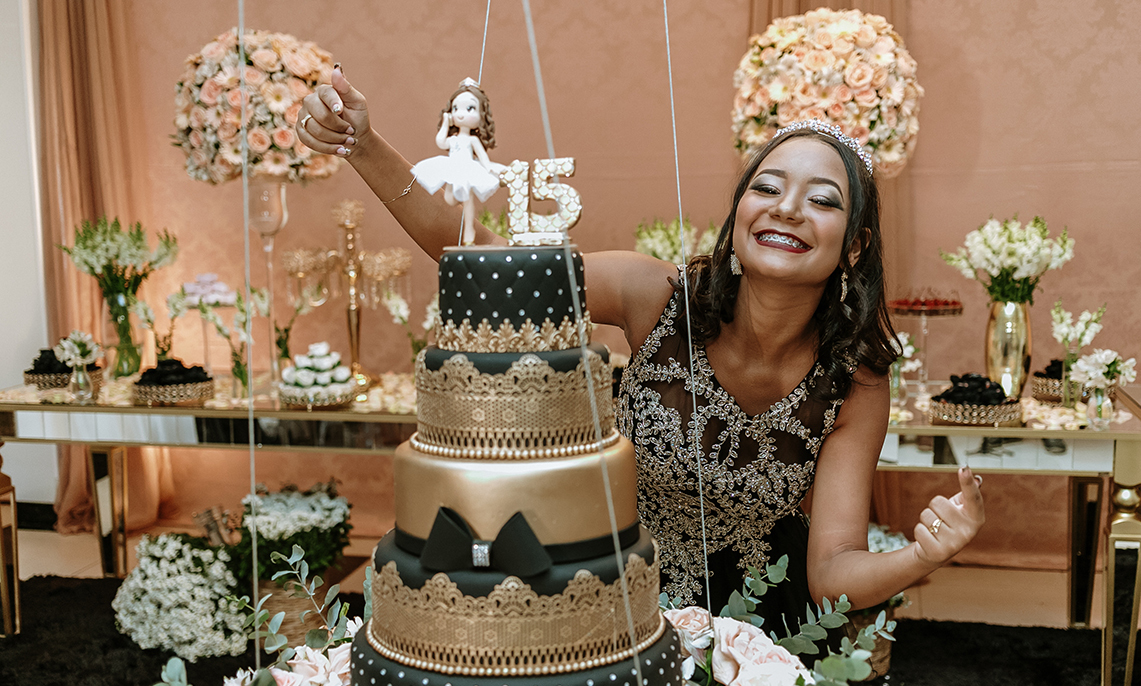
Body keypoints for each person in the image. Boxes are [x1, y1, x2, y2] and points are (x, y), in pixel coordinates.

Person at [295, 67, 985, 632]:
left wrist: (923, 555)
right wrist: (364, 144)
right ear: (739, 215)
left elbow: (832, 570)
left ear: (854, 246)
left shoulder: (854, 379)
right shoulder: (654, 294)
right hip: (606, 599)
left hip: (754, 631)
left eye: (823, 200)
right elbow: (489, 261)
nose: (786, 208)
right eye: (767, 187)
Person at [408, 77, 501, 246]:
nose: (461, 113)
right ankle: (467, 225)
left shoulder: (472, 140)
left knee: (468, 201)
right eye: (456, 108)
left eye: (470, 108)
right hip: (453, 169)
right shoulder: (454, 139)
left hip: (467, 168)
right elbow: (441, 142)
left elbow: (483, 158)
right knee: (450, 199)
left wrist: (489, 169)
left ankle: (469, 233)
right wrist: (445, 122)